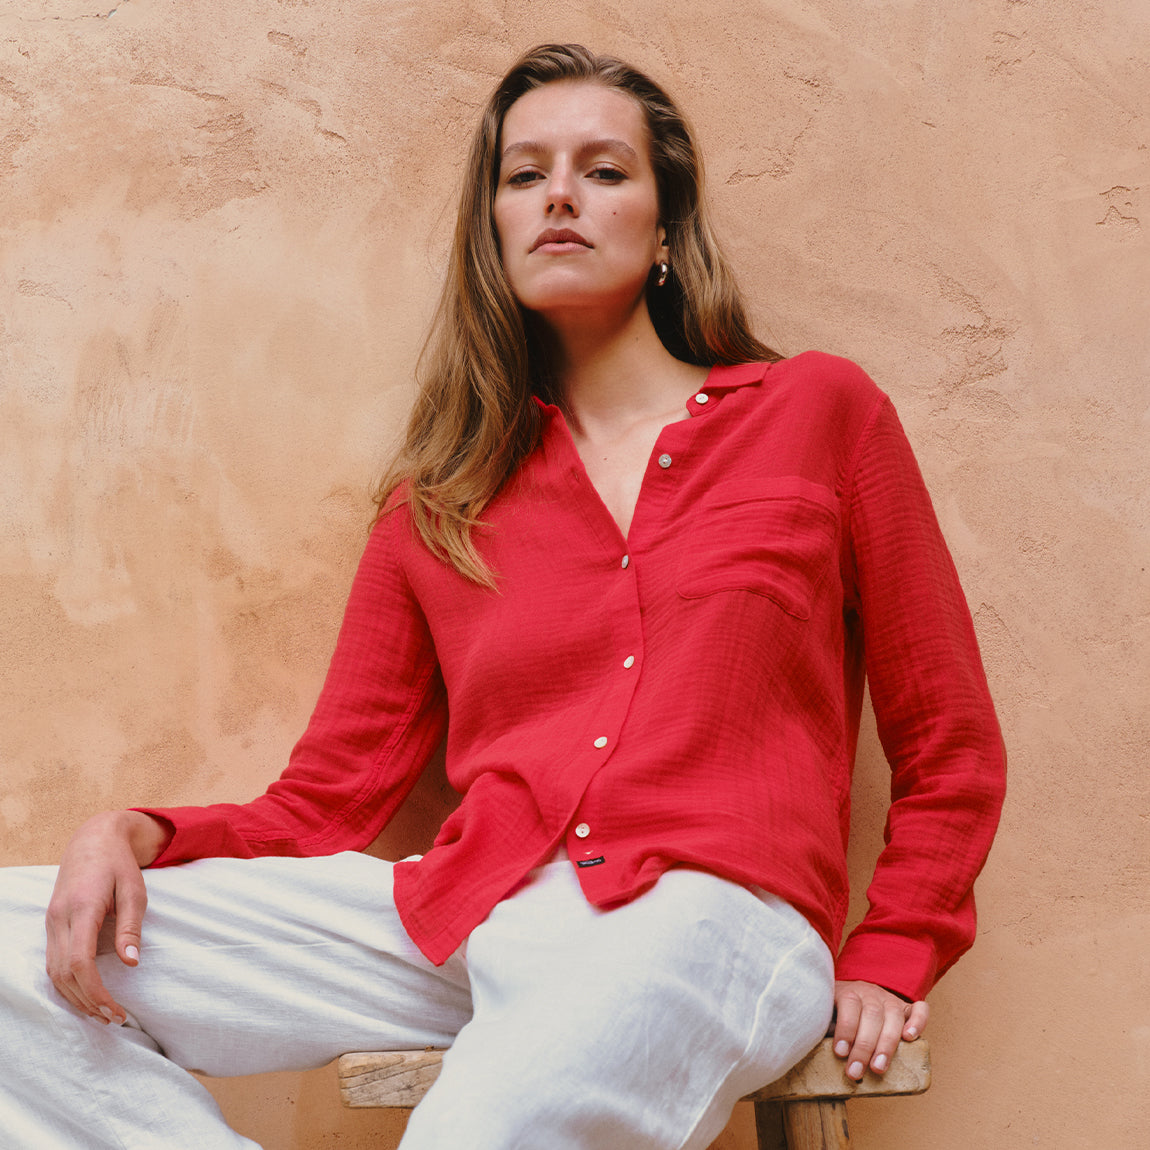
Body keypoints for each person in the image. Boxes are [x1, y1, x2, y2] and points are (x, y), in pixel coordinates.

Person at [0, 43, 1005, 1149]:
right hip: (476, 904)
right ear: (492, 227)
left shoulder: (819, 412)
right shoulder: (440, 498)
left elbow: (948, 742)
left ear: (668, 228)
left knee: (480, 1131)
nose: (560, 194)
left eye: (604, 170)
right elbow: (326, 800)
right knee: (15, 942)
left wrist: (894, 944)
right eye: (523, 174)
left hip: (710, 918)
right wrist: (142, 828)